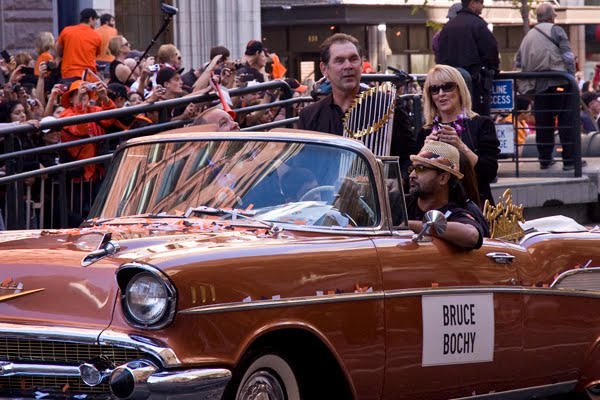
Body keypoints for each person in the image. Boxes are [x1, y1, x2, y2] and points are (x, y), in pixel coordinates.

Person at [417, 64, 500, 206]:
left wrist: (460, 146)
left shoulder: (481, 124)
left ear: (460, 89)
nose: (441, 93)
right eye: (434, 89)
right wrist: (423, 153)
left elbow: (489, 173)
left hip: (473, 204)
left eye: (447, 87)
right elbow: (415, 178)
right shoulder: (426, 132)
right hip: (436, 207)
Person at [515, 3, 579, 171]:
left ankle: (545, 160)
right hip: (559, 82)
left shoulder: (528, 35)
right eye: (554, 14)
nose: (555, 17)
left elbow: (518, 62)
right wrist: (572, 78)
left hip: (538, 86)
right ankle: (570, 161)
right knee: (566, 120)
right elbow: (568, 56)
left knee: (543, 122)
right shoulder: (556, 30)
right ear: (551, 16)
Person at [405, 140, 484, 250]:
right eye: (412, 169)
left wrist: (407, 225)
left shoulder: (456, 213)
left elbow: (472, 235)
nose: (412, 175)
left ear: (443, 178)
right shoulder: (400, 204)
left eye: (420, 169)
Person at [436, 0, 499, 117]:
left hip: (450, 84)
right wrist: (492, 70)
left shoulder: (448, 27)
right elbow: (491, 51)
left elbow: (440, 55)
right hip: (475, 84)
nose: (483, 5)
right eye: (481, 2)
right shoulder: (478, 24)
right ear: (472, 4)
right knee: (477, 117)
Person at [298, 33, 362, 135]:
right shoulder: (309, 116)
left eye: (353, 59)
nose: (348, 66)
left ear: (361, 64)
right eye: (339, 61)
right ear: (324, 69)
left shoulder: (384, 108)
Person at [56, 8, 102, 83]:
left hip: (68, 74)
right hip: (87, 76)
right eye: (95, 20)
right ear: (91, 19)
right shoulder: (97, 36)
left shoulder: (66, 31)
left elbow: (58, 49)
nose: (96, 23)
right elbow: (96, 54)